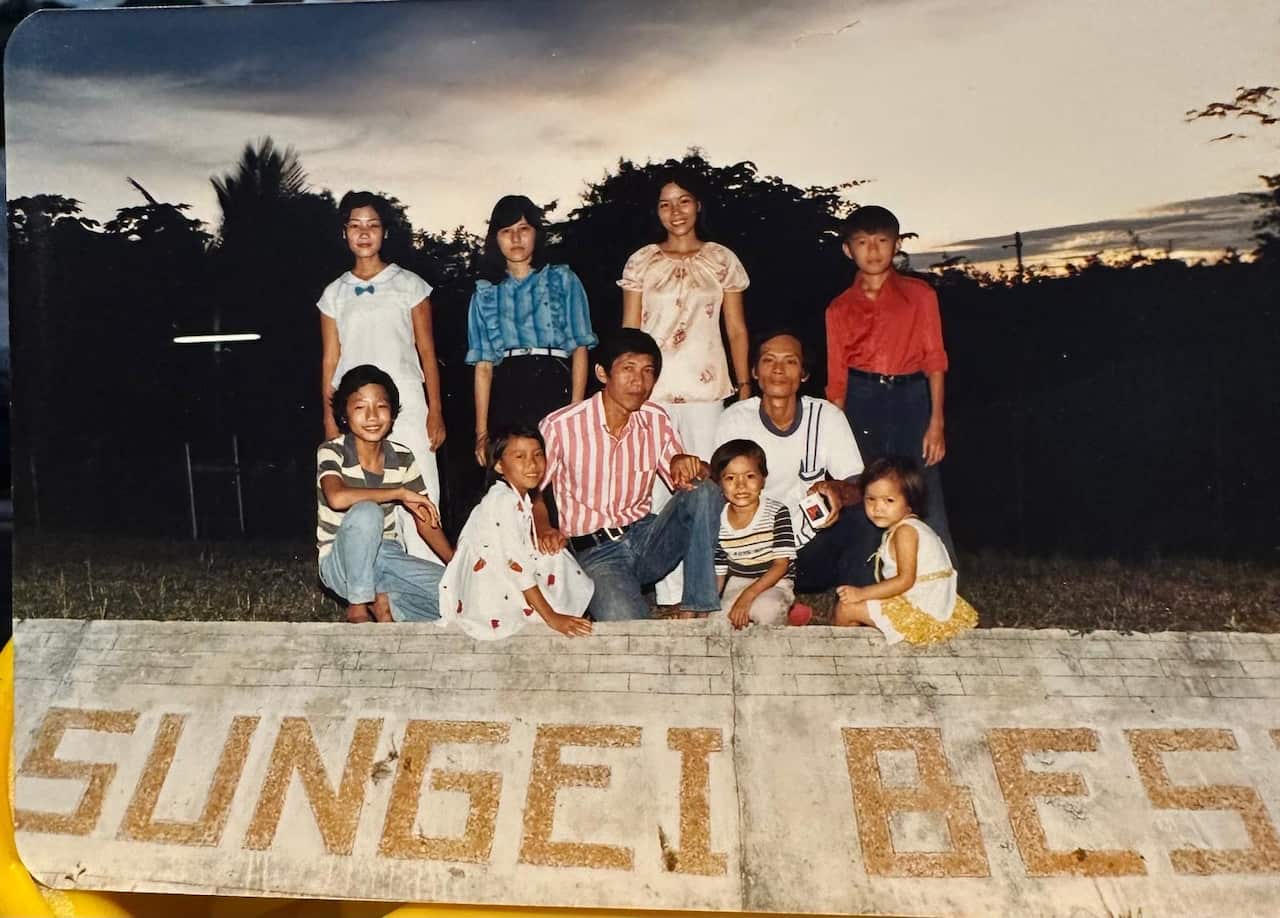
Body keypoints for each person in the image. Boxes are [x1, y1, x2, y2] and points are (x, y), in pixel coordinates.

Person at [619, 166, 751, 608]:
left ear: (699, 205)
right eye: (665, 203)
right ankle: (668, 593)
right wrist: (624, 394)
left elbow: (736, 329)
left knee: (705, 488)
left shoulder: (722, 259)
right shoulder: (641, 261)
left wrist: (745, 385)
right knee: (655, 488)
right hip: (649, 395)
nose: (675, 212)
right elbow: (629, 330)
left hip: (707, 391)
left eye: (684, 201)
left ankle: (704, 591)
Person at [535, 328, 723, 622]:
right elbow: (531, 492)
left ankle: (697, 605)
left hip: (646, 537)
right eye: (628, 369)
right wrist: (544, 527)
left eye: (648, 371)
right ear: (602, 373)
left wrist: (692, 465)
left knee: (705, 490)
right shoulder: (561, 425)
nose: (639, 381)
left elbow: (690, 478)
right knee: (630, 630)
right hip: (597, 553)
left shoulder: (655, 418)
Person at [318, 190, 446, 560]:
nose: (364, 233)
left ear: (384, 232)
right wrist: (329, 416)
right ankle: (375, 586)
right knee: (367, 495)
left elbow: (427, 352)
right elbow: (330, 361)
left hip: (406, 403)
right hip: (358, 410)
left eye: (372, 225)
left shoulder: (410, 285)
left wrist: (435, 410)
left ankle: (432, 585)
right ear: (344, 232)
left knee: (422, 492)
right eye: (355, 226)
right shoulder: (334, 294)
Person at [825, 205, 955, 559]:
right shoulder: (838, 308)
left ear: (896, 245)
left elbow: (935, 360)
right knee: (864, 486)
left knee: (921, 487)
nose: (873, 250)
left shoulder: (920, 295)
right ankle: (865, 576)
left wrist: (936, 422)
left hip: (911, 396)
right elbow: (836, 380)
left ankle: (940, 580)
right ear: (848, 250)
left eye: (882, 241)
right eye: (863, 242)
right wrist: (831, 437)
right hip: (861, 398)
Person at [715, 331, 872, 594]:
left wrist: (838, 491)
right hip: (753, 553)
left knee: (869, 510)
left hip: (808, 552)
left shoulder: (826, 416)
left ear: (804, 374)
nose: (778, 369)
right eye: (768, 360)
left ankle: (853, 604)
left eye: (790, 361)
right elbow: (717, 487)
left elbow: (858, 483)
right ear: (754, 371)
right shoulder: (735, 419)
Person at [466, 195, 598, 466]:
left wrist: (574, 411)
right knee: (515, 473)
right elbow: (483, 366)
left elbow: (580, 348)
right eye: (506, 231)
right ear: (495, 238)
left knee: (555, 471)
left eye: (523, 229)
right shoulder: (485, 292)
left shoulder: (563, 279)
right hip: (508, 387)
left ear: (536, 233)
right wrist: (481, 432)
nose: (516, 239)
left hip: (554, 381)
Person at [316, 365, 452, 624]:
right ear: (344, 414)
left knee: (460, 594)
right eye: (359, 407)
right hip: (341, 561)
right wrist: (400, 492)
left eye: (381, 406)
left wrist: (456, 564)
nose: (371, 416)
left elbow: (426, 522)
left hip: (387, 558)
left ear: (392, 412)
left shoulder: (402, 456)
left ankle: (389, 605)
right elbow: (337, 497)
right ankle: (358, 606)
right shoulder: (332, 451)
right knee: (367, 511)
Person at [439, 425, 593, 639]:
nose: (532, 464)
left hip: (502, 569)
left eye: (538, 454)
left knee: (553, 553)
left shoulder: (517, 496)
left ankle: (566, 610)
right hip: (487, 589)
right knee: (551, 563)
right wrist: (552, 617)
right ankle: (555, 614)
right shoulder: (502, 501)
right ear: (500, 465)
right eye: (519, 456)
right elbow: (516, 565)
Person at [834, 457, 977, 644]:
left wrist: (861, 594)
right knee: (857, 607)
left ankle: (841, 657)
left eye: (889, 500)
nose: (878, 508)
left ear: (910, 501)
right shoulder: (907, 527)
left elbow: (905, 580)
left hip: (921, 609)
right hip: (924, 602)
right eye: (871, 499)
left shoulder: (906, 532)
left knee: (846, 609)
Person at [710, 439, 796, 629]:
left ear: (763, 478)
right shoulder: (718, 519)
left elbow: (781, 565)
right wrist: (709, 606)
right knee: (717, 623)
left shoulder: (777, 512)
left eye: (749, 476)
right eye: (730, 478)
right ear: (719, 484)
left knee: (766, 610)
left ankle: (782, 619)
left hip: (775, 582)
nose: (741, 485)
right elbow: (720, 571)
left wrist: (746, 599)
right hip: (737, 584)